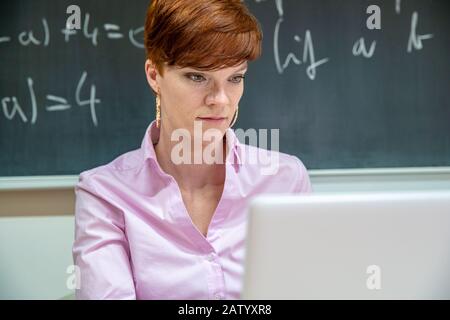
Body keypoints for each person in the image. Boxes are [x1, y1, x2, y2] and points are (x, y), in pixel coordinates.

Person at [72, 0, 312, 300]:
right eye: (198, 76)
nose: (221, 100)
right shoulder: (105, 194)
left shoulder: (285, 180)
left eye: (235, 78)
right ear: (154, 75)